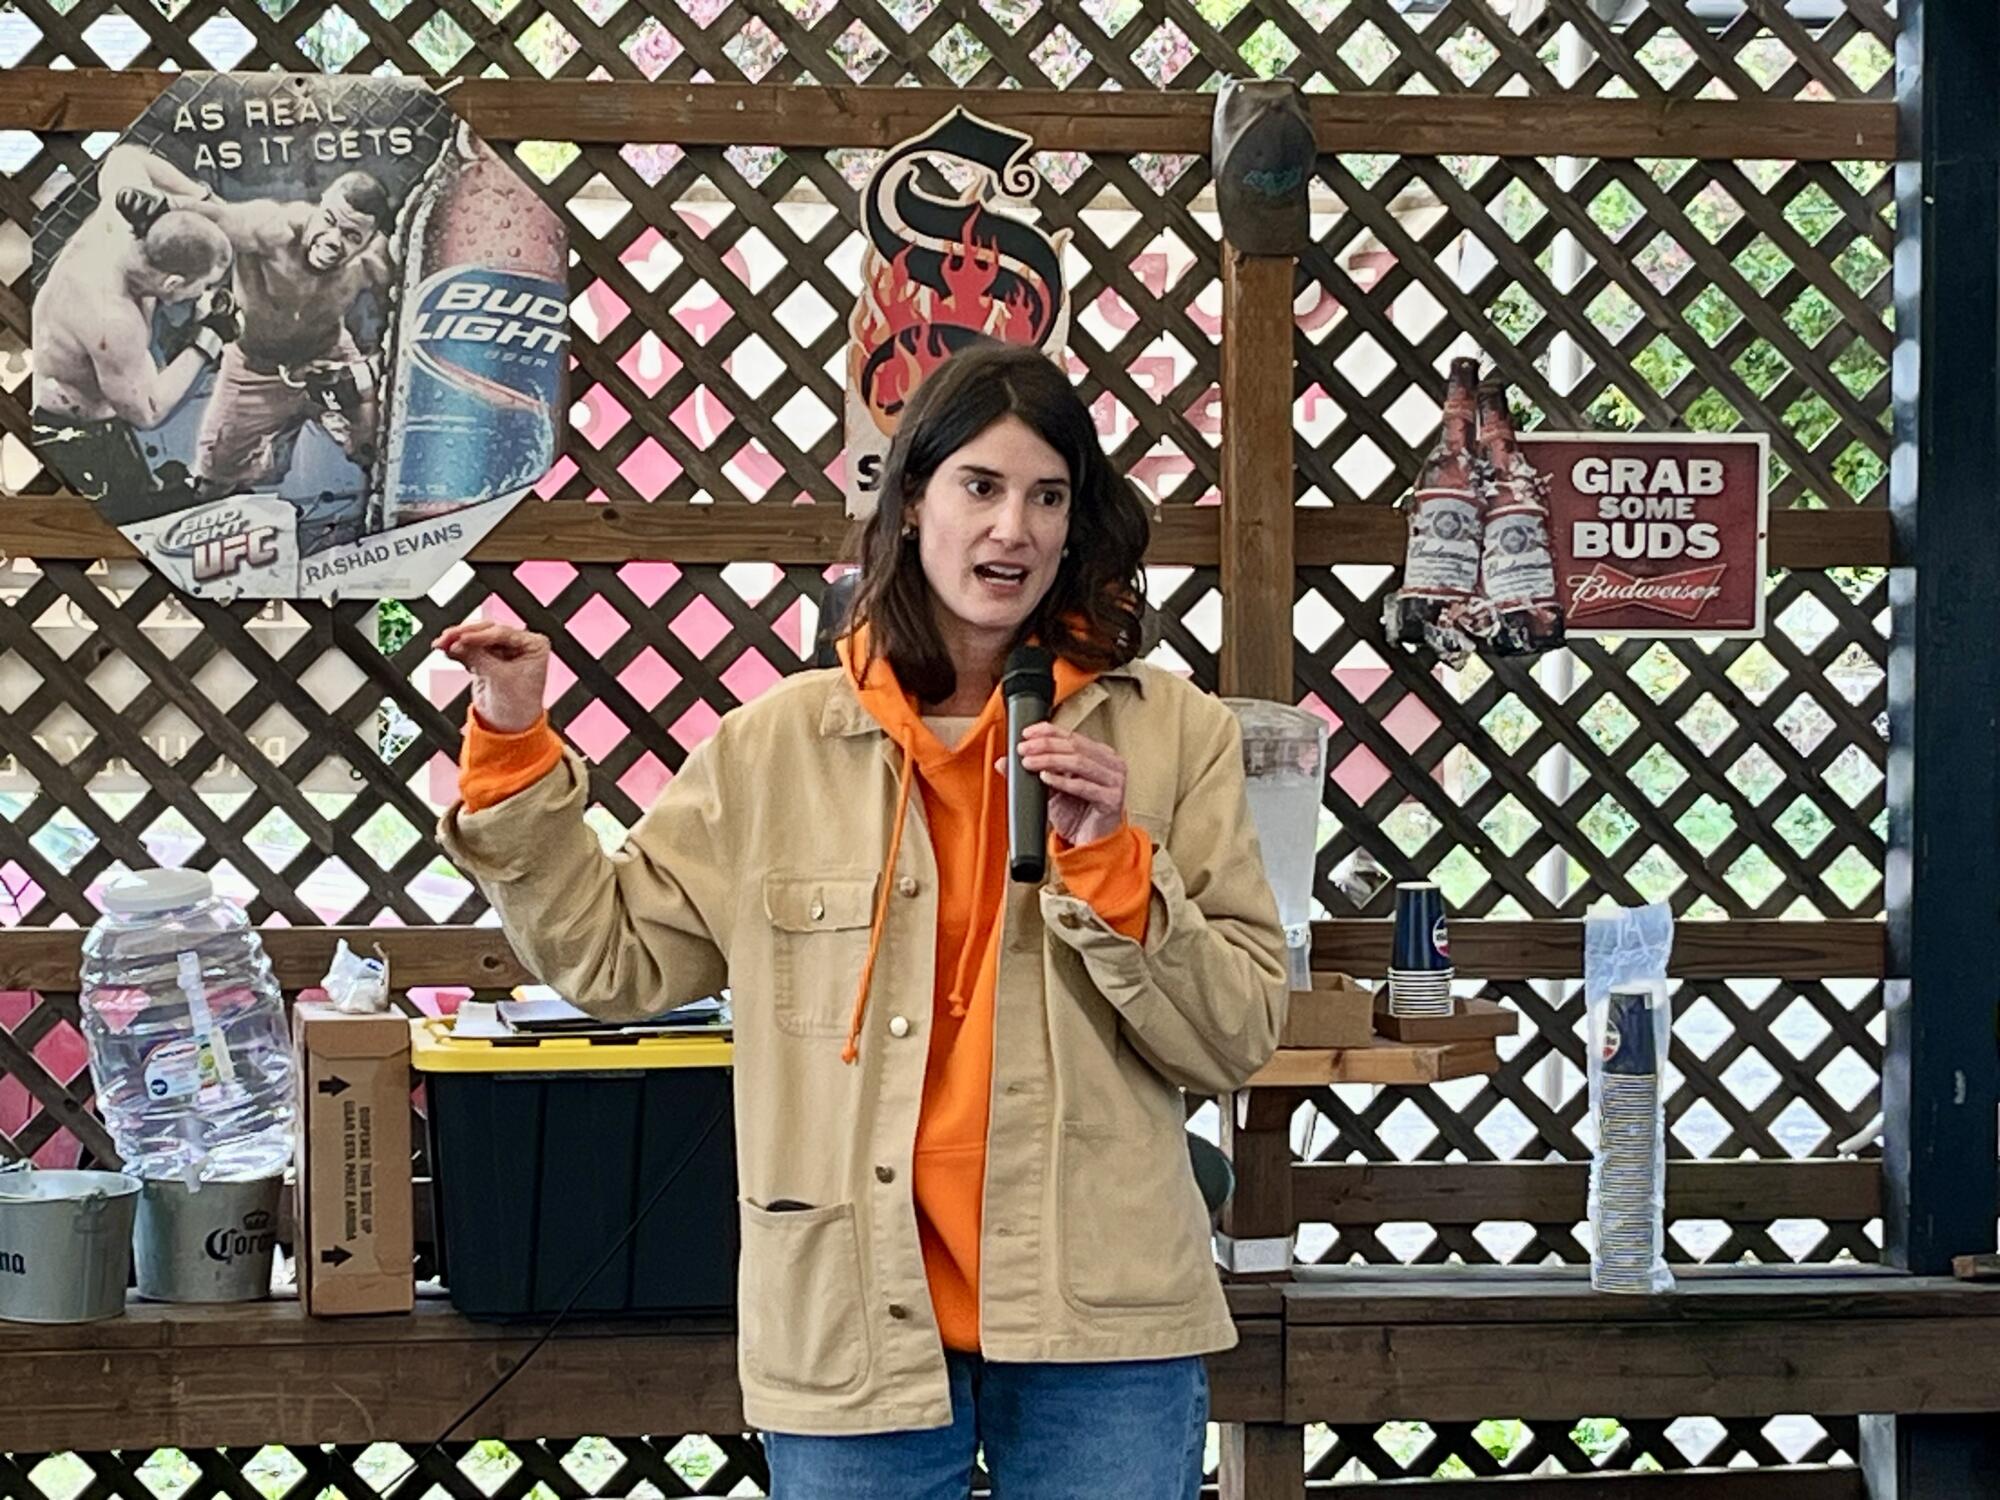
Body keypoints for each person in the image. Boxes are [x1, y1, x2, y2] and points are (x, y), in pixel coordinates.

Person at [435, 342, 1287, 1499]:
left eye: (1047, 496)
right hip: (850, 1313)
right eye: (979, 487)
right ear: (912, 500)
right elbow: (611, 957)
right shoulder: (774, 745)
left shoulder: (1174, 734)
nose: (1013, 531)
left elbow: (1234, 1033)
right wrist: (512, 748)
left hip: (1107, 1319)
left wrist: (1115, 869)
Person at [123, 155, 393, 490]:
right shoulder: (273, 229)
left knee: (379, 448)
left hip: (331, 358)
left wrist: (366, 372)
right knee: (216, 475)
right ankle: (275, 454)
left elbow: (411, 326)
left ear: (369, 240)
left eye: (352, 235)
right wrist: (164, 206)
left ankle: (334, 425)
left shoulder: (374, 262)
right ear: (320, 204)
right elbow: (221, 218)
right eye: (329, 221)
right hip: (254, 368)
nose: (333, 240)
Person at [31, 145, 238, 524]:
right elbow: (147, 411)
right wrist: (209, 335)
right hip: (71, 436)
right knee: (133, 535)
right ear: (174, 282)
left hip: (99, 421)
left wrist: (196, 202)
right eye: (200, 287)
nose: (201, 294)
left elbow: (126, 156)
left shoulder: (124, 216)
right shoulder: (114, 317)